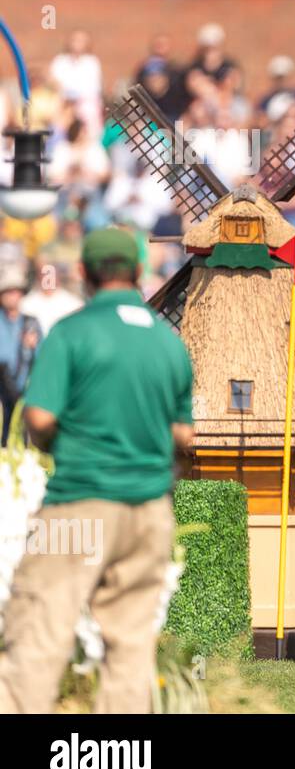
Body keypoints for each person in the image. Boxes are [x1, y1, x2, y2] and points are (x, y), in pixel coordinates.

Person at [0, 227, 194, 713]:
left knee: (40, 632)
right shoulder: (169, 343)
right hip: (150, 513)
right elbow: (184, 437)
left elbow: (40, 417)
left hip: (78, 508)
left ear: (83, 273)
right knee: (130, 647)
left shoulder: (72, 331)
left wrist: (53, 439)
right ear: (138, 273)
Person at [0, 265, 42, 441]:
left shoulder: (31, 323)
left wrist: (32, 347)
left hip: (24, 395)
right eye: (8, 292)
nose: (13, 296)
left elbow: (42, 359)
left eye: (16, 292)